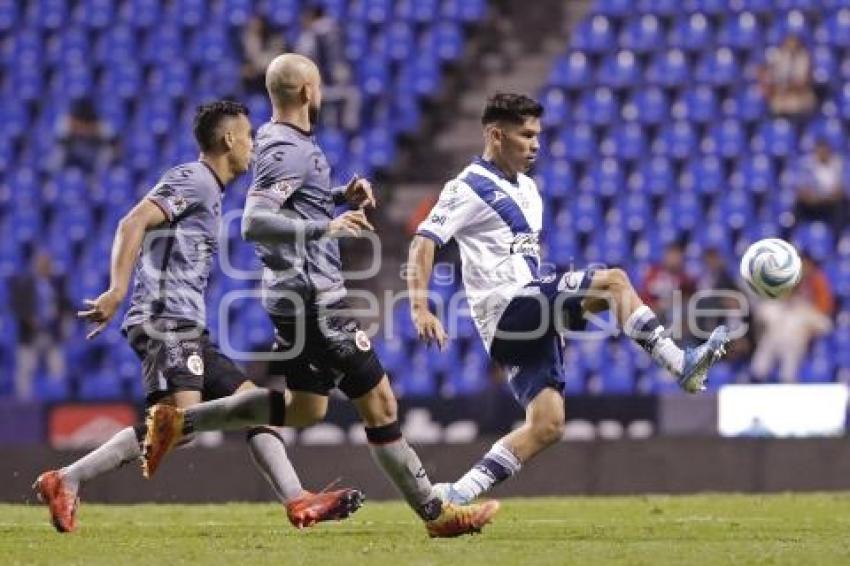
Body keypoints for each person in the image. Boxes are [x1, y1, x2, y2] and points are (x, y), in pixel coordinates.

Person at [141, 54, 499, 538]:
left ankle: (180, 423)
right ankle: (437, 514)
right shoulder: (288, 149)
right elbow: (253, 222)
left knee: (305, 409)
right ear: (308, 91)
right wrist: (326, 225)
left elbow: (287, 202)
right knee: (382, 404)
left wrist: (336, 196)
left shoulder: (276, 141)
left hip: (298, 298)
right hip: (313, 301)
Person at [33, 101, 363, 533]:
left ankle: (299, 500)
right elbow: (131, 223)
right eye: (248, 136)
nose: (253, 146)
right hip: (165, 319)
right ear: (229, 139)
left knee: (250, 406)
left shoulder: (212, 188)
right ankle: (67, 478)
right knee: (182, 425)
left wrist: (338, 197)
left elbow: (267, 210)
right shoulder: (193, 178)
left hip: (188, 325)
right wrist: (116, 289)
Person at [405, 93, 730, 505]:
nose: (536, 143)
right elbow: (423, 242)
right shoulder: (467, 186)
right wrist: (420, 306)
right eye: (525, 134)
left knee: (548, 424)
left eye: (538, 134)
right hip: (508, 309)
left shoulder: (528, 190)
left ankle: (453, 495)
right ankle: (678, 362)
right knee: (613, 282)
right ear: (495, 135)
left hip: (531, 312)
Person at [750, 254, 834, 383]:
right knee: (766, 346)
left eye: (792, 290)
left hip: (794, 345)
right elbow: (758, 316)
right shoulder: (773, 305)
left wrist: (811, 329)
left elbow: (826, 325)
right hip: (773, 341)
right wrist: (761, 327)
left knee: (791, 356)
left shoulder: (804, 308)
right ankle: (756, 379)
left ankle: (787, 383)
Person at [9, 250, 72, 400]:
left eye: (47, 264)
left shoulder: (57, 284)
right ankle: (24, 405)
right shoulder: (25, 283)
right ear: (35, 265)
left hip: (52, 333)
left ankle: (57, 400)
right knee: (25, 371)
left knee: (57, 369)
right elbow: (16, 306)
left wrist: (60, 317)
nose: (44, 267)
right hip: (29, 334)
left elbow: (66, 305)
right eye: (41, 264)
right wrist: (28, 318)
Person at [639, 241, 696, 335]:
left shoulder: (685, 278)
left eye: (677, 255)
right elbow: (645, 298)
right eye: (671, 255)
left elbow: (690, 300)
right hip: (655, 316)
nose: (674, 259)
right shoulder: (653, 274)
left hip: (677, 321)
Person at [794, 139, 846, 235]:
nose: (822, 154)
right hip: (811, 203)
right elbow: (802, 191)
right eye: (820, 151)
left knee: (842, 206)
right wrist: (815, 197)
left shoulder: (837, 164)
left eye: (825, 151)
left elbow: (840, 191)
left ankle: (837, 239)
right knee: (797, 205)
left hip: (830, 204)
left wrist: (824, 198)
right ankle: (797, 238)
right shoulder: (807, 165)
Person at [758, 34, 816, 120]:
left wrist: (788, 84)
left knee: (806, 102)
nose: (791, 45)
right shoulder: (779, 56)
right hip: (781, 93)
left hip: (798, 94)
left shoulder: (804, 57)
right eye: (789, 42)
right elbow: (769, 76)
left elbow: (802, 82)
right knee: (774, 104)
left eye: (794, 43)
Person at [240, 16, 286, 94]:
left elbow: (278, 59)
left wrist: (258, 68)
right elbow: (248, 60)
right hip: (256, 77)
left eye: (257, 24)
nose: (255, 27)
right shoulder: (250, 39)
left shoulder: (275, 39)